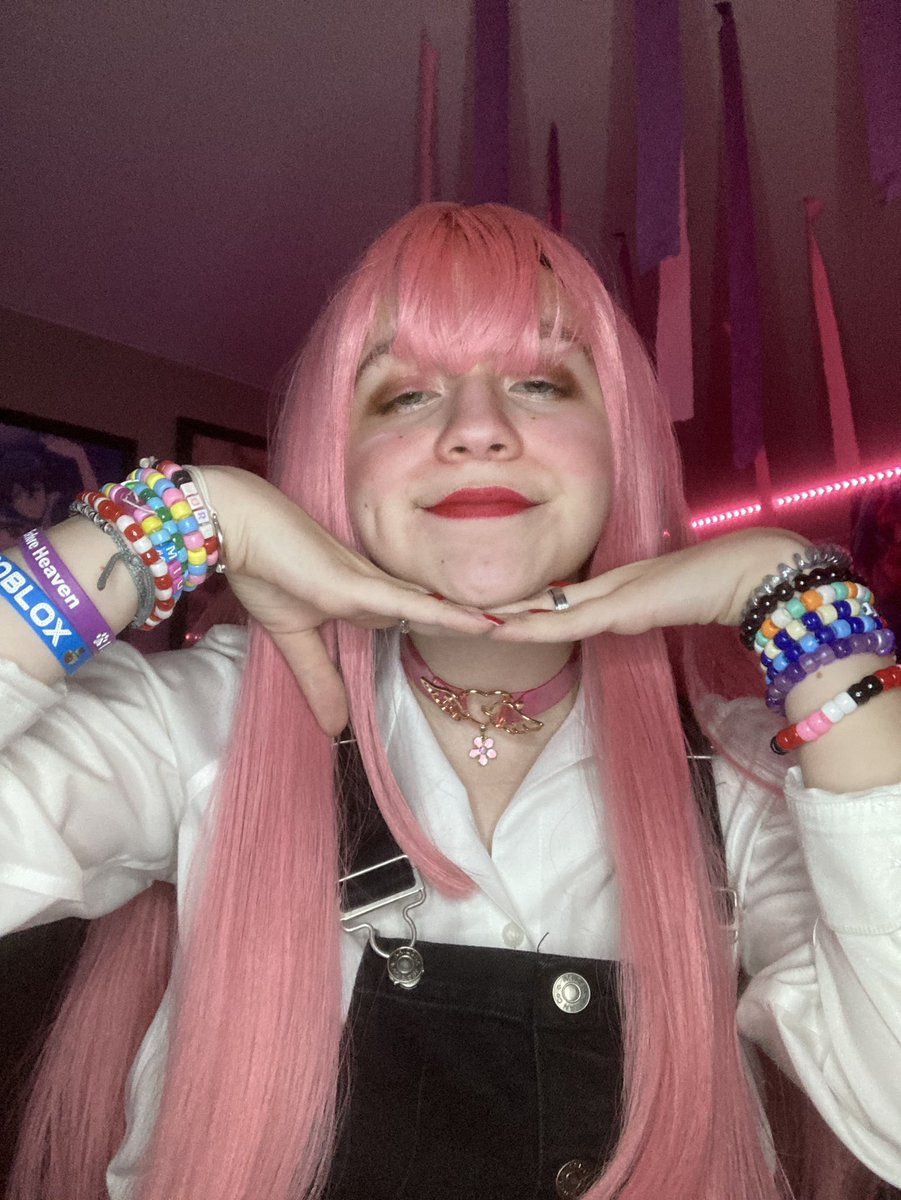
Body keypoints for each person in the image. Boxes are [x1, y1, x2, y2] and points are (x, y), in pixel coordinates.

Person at [1, 203, 900, 1200]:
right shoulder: (205, 723)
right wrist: (168, 519)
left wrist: (800, 600)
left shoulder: (741, 782)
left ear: (620, 449)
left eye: (540, 382)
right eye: (406, 395)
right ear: (340, 463)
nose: (478, 430)